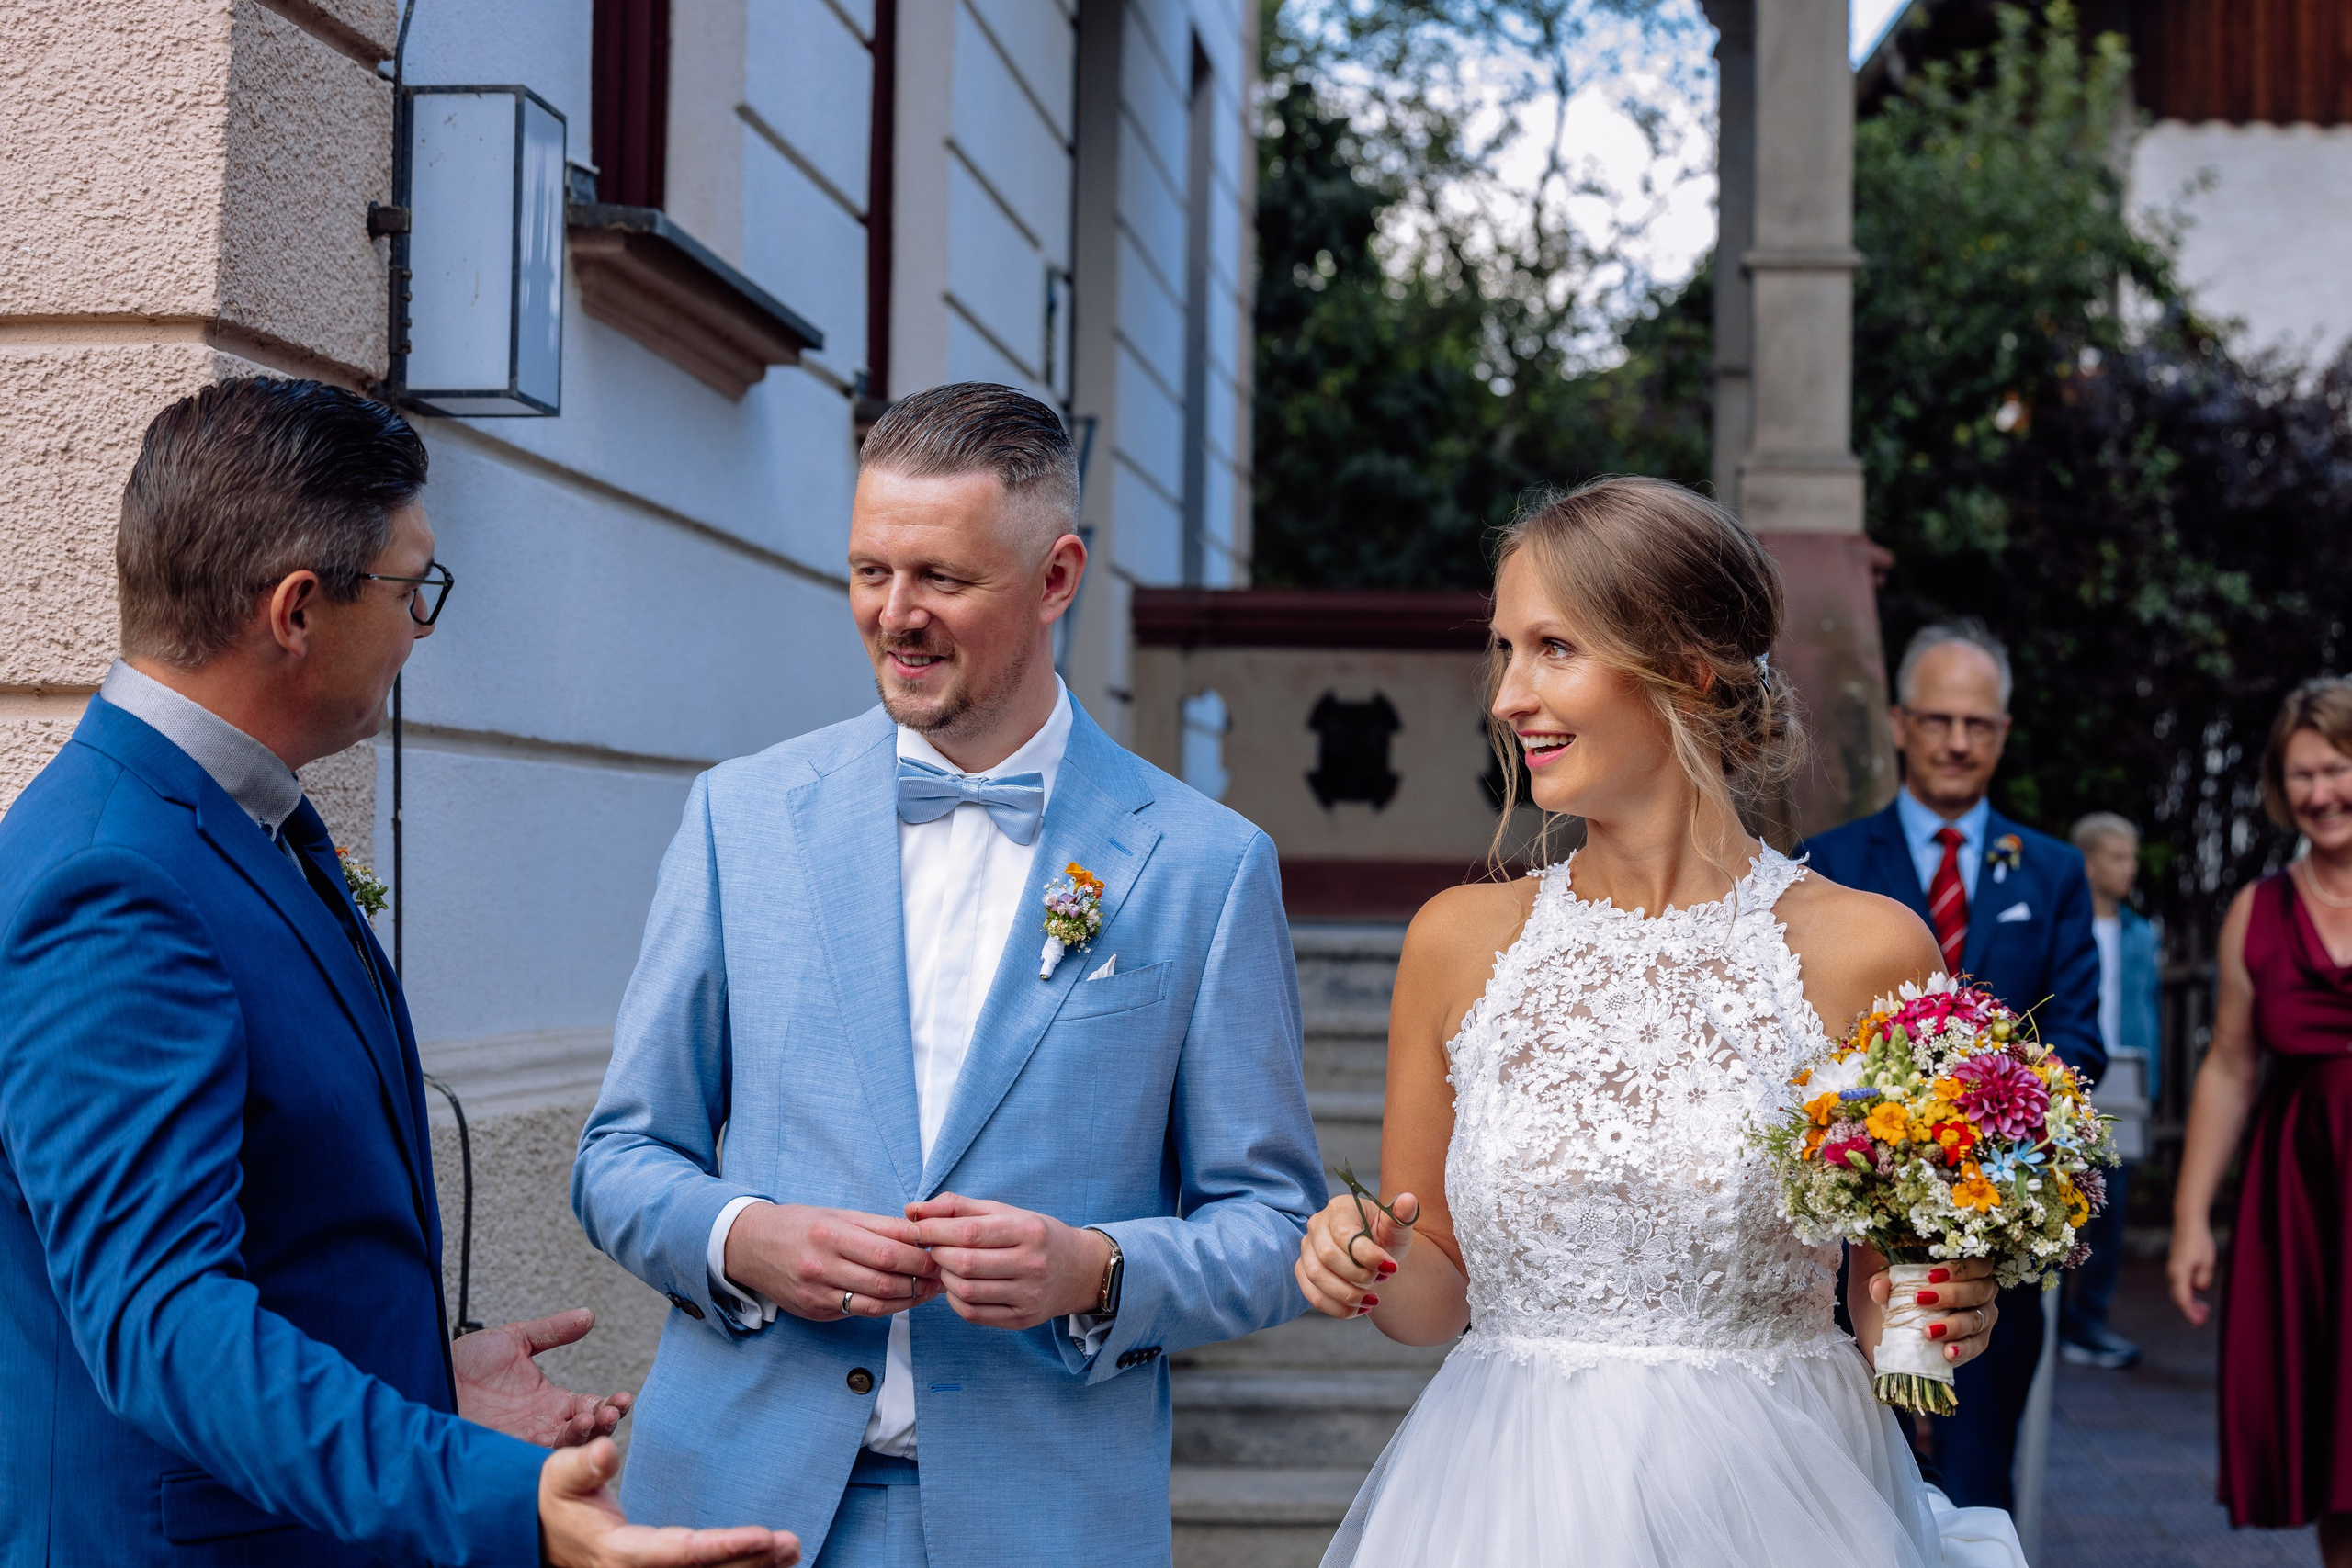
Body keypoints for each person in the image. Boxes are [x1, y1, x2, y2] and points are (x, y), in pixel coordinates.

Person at [0, 378, 795, 1567]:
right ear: (297, 610)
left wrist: (418, 1375)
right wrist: (496, 1495)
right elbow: (162, 1317)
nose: (422, 625)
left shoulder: (235, 821)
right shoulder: (115, 880)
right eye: (409, 586)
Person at [571, 383, 1325, 1567]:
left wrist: (1094, 1270)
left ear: (1056, 578)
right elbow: (618, 1157)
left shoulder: (1205, 864)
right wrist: (743, 1237)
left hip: (1046, 1522)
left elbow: (1277, 1229)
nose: (896, 616)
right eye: (870, 571)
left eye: (941, 578)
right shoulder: (740, 817)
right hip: (737, 1502)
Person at [1294, 478, 2025, 1568]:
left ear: (1689, 671)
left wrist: (1946, 1309)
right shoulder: (1455, 941)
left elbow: (1892, 1312)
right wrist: (1367, 1257)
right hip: (1507, 1499)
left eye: (1553, 649)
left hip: (1775, 1501)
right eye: (1504, 651)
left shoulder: (1867, 950)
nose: (1508, 697)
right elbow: (1436, 1293)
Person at [1801, 620, 2105, 1512]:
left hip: (1992, 1233)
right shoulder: (1828, 863)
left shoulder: (2052, 872)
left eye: (1978, 724)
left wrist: (1980, 1129)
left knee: (1974, 1489)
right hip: (1849, 1253)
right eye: (1938, 720)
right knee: (1852, 1488)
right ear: (1900, 724)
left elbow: (2074, 1039)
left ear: (2003, 734)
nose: (1957, 741)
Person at [2169, 677, 2352, 1564]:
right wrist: (2191, 1219)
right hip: (2308, 1193)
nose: (2322, 792)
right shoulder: (2258, 910)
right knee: (2337, 1439)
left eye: (2339, 768)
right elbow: (2231, 1067)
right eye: (2302, 775)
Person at [2059, 812, 2159, 1370]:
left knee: (2112, 1203)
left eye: (2133, 857)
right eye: (2118, 857)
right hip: (2071, 1075)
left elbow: (2149, 1010)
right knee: (2059, 1199)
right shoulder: (2065, 925)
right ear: (2089, 864)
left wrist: (2151, 1082)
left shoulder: (2141, 935)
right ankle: (2050, 1317)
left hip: (2124, 1075)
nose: (2130, 868)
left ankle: (2090, 1320)